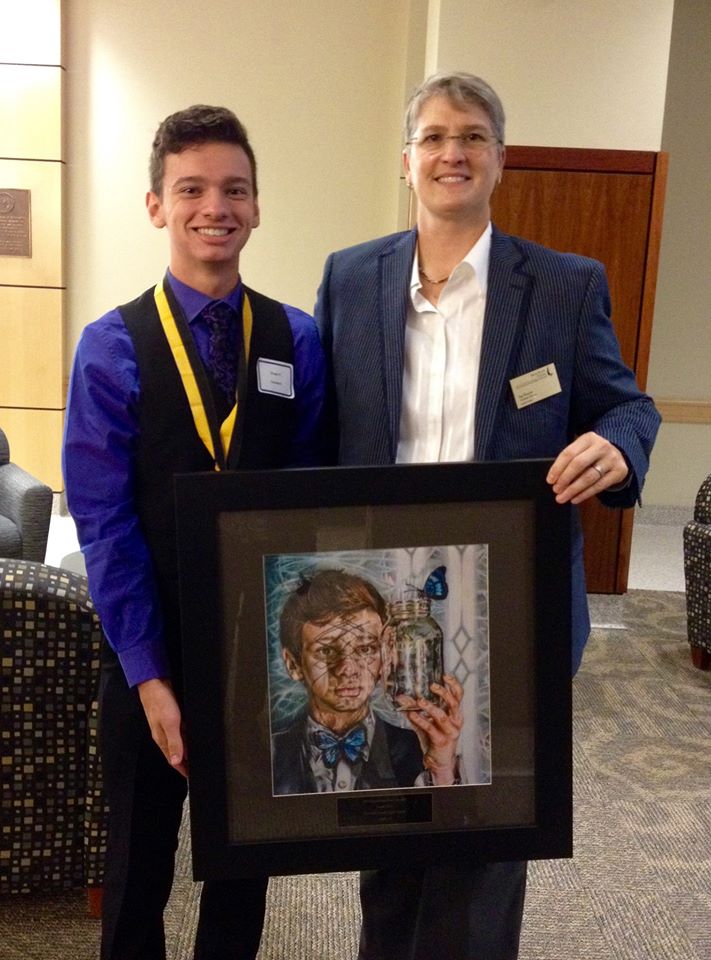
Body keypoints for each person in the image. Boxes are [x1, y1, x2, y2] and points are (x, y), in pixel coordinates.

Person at [314, 72, 661, 960]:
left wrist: (618, 446)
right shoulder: (351, 278)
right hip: (379, 603)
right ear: (406, 161)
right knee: (388, 813)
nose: (451, 152)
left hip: (512, 604)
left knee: (487, 822)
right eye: (432, 137)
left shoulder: (561, 284)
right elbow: (317, 434)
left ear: (499, 160)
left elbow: (626, 407)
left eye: (471, 136)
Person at [63, 105, 326, 960]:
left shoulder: (298, 340)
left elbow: (316, 501)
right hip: (148, 642)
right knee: (138, 864)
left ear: (257, 207)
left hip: (262, 648)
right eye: (192, 189)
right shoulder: (111, 348)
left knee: (242, 860)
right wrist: (149, 678)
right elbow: (103, 526)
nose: (214, 206)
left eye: (234, 189)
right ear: (155, 205)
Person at [272, 568, 463, 794]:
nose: (348, 669)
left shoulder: (417, 748)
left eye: (365, 648)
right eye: (326, 651)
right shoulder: (269, 752)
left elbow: (454, 823)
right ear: (293, 664)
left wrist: (442, 769)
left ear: (386, 658)